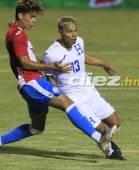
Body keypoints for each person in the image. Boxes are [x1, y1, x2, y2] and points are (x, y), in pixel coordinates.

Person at [0, 0, 114, 156]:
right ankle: (99, 138)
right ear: (20, 15)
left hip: (27, 84)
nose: (34, 20)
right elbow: (25, 62)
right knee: (68, 103)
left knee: (37, 128)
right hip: (32, 82)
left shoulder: (14, 30)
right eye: (31, 17)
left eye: (35, 17)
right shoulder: (18, 35)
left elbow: (26, 58)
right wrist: (54, 68)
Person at [43, 16, 125, 160]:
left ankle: (107, 142)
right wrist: (60, 98)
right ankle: (111, 152)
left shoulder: (79, 41)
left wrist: (103, 64)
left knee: (115, 123)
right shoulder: (51, 54)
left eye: (75, 30)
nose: (74, 34)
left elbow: (82, 56)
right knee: (101, 130)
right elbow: (48, 77)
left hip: (90, 92)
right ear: (60, 32)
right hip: (75, 100)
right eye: (69, 31)